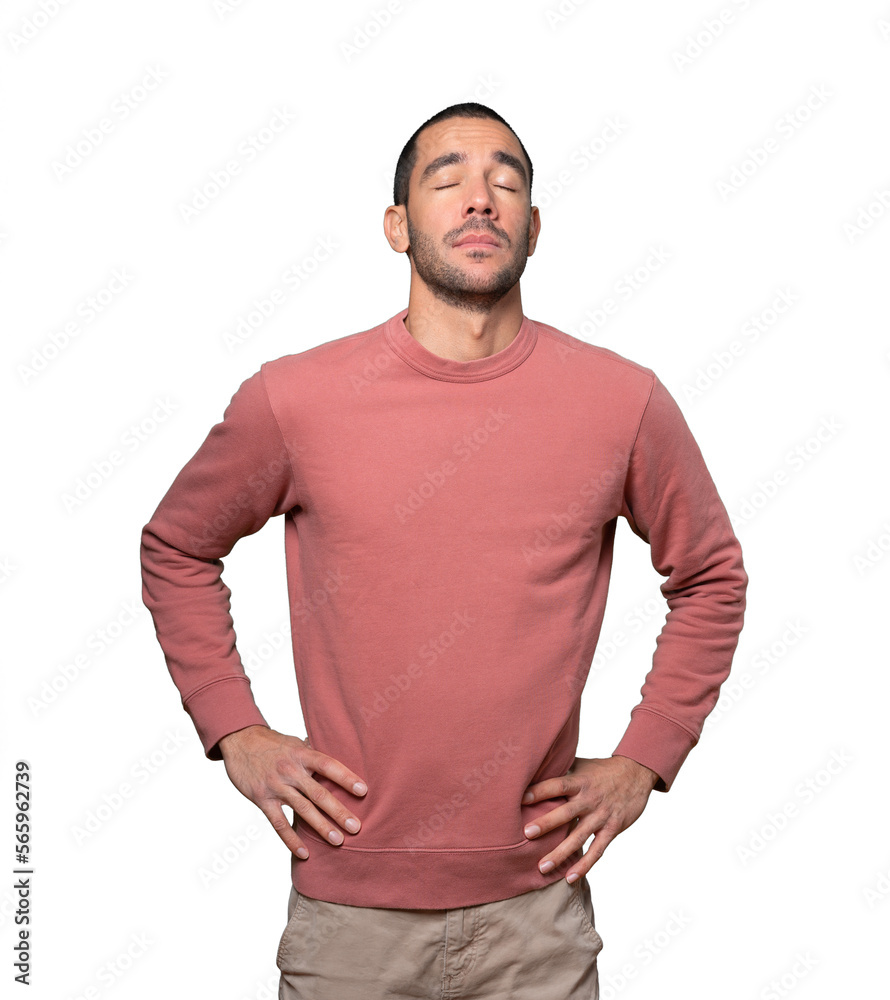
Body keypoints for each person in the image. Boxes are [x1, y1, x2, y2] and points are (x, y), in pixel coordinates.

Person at [140, 102, 747, 999]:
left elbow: (711, 577)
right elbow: (178, 547)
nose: (481, 199)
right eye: (447, 179)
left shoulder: (622, 403)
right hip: (348, 923)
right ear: (398, 226)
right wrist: (235, 729)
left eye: (507, 181)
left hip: (537, 917)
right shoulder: (296, 400)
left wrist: (645, 759)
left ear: (534, 228)